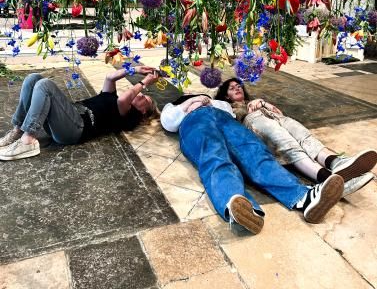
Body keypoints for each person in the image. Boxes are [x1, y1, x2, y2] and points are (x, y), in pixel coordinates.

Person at [160, 94, 345, 235]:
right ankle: (240, 206)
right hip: (193, 122)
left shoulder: (216, 103)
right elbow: (169, 122)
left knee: (255, 152)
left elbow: (228, 110)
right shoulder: (173, 106)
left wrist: (206, 100)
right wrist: (196, 101)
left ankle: (305, 198)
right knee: (214, 157)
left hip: (224, 119)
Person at [215, 78, 376, 197]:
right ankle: (330, 181)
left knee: (303, 135)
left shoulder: (255, 102)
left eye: (239, 86)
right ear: (226, 96)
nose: (237, 89)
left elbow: (280, 114)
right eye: (232, 88)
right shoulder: (228, 108)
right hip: (253, 121)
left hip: (273, 117)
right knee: (288, 143)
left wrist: (262, 102)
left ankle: (336, 162)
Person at [0, 66, 160, 161]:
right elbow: (110, 77)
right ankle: (18, 130)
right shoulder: (111, 97)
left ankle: (28, 141)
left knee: (44, 85)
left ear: (143, 110)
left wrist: (145, 82)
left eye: (145, 97)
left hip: (75, 129)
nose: (141, 94)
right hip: (67, 117)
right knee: (33, 78)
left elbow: (127, 96)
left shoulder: (125, 115)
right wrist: (136, 69)